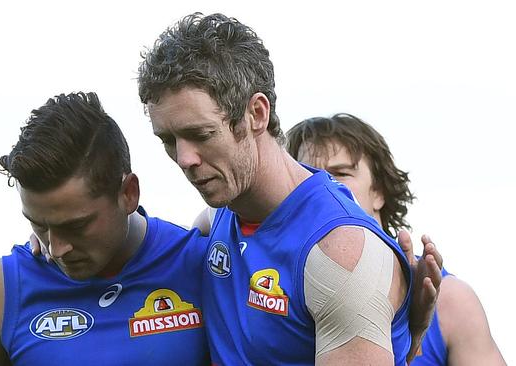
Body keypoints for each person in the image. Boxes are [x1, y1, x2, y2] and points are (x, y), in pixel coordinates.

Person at [137, 12, 441, 365]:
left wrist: (409, 332)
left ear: (257, 113)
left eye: (201, 135)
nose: (185, 158)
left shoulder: (340, 252)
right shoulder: (220, 214)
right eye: (168, 140)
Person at [0, 92, 210, 365]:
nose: (56, 249)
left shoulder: (204, 266)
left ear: (129, 193)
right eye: (40, 225)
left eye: (75, 226)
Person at [286, 113, 506, 365]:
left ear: (379, 191)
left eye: (341, 174)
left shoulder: (452, 300)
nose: (324, 187)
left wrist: (411, 327)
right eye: (311, 176)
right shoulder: (271, 287)